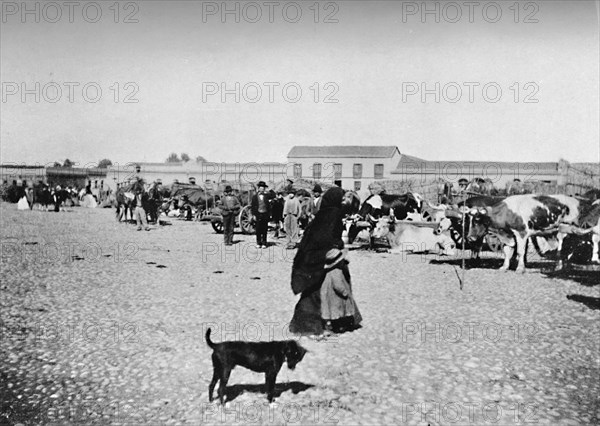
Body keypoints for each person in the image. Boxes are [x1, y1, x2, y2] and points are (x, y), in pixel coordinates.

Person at [289, 187, 362, 337]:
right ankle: (319, 326)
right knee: (322, 292)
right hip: (320, 258)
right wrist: (337, 250)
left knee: (313, 292)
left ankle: (315, 325)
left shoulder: (323, 214)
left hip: (311, 258)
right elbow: (327, 238)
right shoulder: (333, 215)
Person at [251, 181, 273, 248]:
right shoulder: (254, 197)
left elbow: (269, 206)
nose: (262, 189)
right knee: (258, 229)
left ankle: (264, 243)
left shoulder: (267, 196)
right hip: (258, 214)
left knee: (264, 229)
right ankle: (258, 242)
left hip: (265, 214)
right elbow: (253, 206)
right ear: (258, 188)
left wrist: (270, 214)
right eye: (261, 187)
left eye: (263, 188)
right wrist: (254, 215)